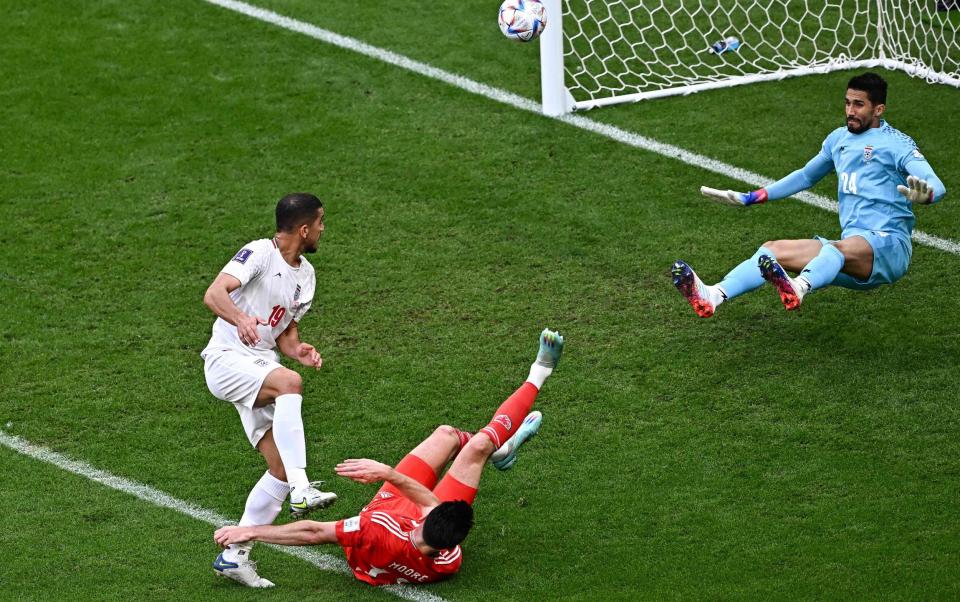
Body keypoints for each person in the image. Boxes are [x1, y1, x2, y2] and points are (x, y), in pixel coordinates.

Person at [213, 328, 565, 587]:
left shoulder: (374, 530)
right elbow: (428, 504)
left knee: (449, 436)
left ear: (424, 518)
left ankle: (498, 445)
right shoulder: (448, 560)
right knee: (472, 446)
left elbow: (313, 531)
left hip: (385, 520)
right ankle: (537, 378)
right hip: (405, 531)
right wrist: (393, 476)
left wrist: (248, 531)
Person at [672, 72, 946, 317]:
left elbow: (936, 185)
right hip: (848, 252)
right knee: (772, 250)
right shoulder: (838, 139)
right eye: (847, 103)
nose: (850, 111)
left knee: (834, 249)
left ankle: (799, 286)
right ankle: (714, 295)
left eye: (859, 104)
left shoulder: (897, 144)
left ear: (879, 109)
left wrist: (927, 195)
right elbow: (805, 176)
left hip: (890, 249)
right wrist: (753, 196)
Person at [202, 192, 337, 587]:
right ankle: (302, 489)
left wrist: (299, 350)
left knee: (276, 468)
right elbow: (214, 293)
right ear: (304, 228)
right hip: (226, 359)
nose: (324, 230)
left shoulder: (306, 276)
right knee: (290, 384)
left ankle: (234, 556)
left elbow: (285, 333)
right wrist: (240, 318)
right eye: (322, 222)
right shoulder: (259, 252)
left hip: (259, 365)